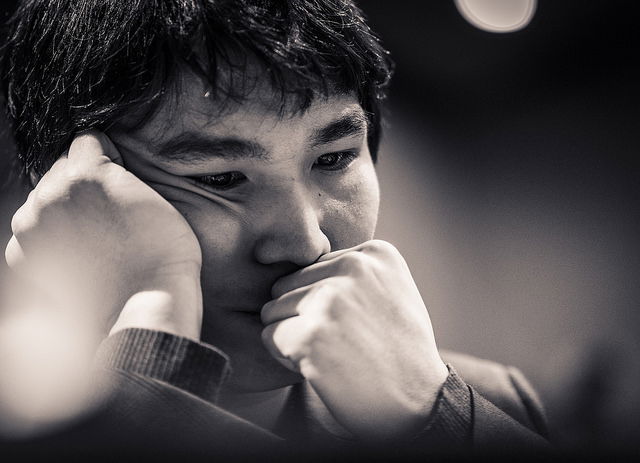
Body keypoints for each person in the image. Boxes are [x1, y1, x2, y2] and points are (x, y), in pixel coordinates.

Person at [1, 0, 549, 458]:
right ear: (64, 188)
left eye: (334, 159)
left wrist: (433, 414)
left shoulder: (484, 404)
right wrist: (153, 322)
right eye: (220, 178)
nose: (306, 243)